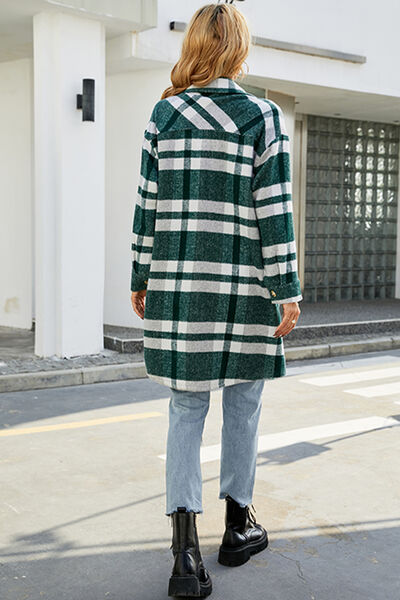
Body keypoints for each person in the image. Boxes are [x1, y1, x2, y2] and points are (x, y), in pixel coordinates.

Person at [130, 2, 302, 597]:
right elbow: (274, 209)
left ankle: (185, 555)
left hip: (180, 285)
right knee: (245, 403)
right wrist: (286, 286)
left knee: (185, 407)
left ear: (196, 45)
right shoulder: (261, 115)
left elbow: (147, 205)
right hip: (244, 285)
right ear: (238, 47)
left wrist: (140, 275)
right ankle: (237, 526)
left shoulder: (165, 114)